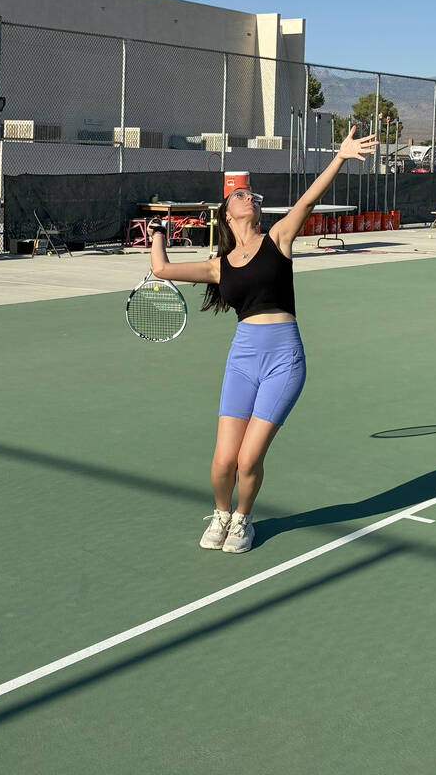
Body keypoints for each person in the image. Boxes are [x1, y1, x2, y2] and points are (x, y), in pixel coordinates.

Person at [148, 126, 377, 554]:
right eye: (241, 195)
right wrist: (158, 230)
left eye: (252, 194)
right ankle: (221, 513)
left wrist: (341, 156)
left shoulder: (279, 239)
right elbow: (161, 270)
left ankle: (243, 520)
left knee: (249, 459)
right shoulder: (219, 266)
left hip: (284, 359)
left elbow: (308, 199)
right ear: (228, 214)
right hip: (243, 359)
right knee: (222, 461)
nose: (249, 196)